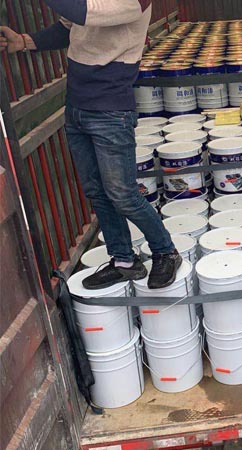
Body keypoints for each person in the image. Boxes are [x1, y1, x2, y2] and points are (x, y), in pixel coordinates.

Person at [0, 1, 182, 289]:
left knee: (122, 194)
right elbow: (69, 27)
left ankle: (166, 251)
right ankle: (124, 261)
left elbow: (84, 14)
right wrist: (24, 42)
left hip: (111, 112)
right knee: (97, 191)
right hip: (77, 106)